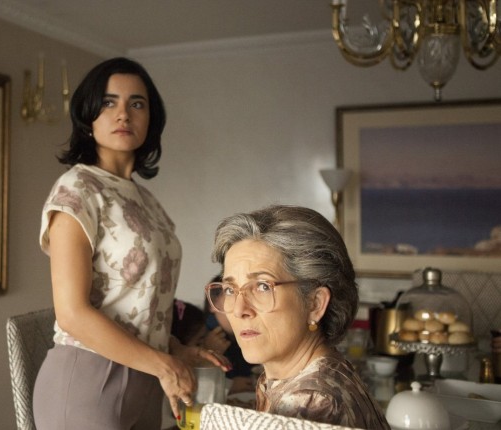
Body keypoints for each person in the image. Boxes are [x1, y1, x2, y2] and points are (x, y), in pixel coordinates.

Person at [32, 57, 228, 430]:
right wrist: (164, 365)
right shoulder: (76, 189)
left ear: (151, 118)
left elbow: (140, 302)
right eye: (109, 103)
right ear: (88, 116)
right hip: (88, 381)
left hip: (146, 380)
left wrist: (176, 350)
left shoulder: (146, 200)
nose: (123, 114)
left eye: (136, 103)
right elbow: (72, 313)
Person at [205, 205, 390, 428]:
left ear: (315, 304)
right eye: (230, 289)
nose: (238, 310)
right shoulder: (311, 374)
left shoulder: (311, 403)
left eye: (262, 286)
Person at [203, 273, 256, 394]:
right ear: (212, 303)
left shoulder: (244, 334)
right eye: (230, 292)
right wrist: (229, 385)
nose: (242, 308)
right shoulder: (201, 336)